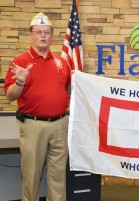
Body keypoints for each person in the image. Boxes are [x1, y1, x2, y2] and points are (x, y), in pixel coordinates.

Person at [4, 13, 71, 201]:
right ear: (31, 35)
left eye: (47, 32)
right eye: (39, 32)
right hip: (33, 126)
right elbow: (10, 96)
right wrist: (20, 82)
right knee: (31, 176)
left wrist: (81, 82)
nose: (43, 36)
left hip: (60, 125)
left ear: (52, 36)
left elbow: (68, 89)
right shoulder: (20, 62)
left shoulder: (62, 62)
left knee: (58, 177)